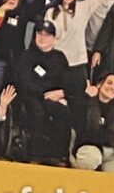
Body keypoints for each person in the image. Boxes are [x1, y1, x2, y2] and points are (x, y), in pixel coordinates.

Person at [18, 22, 75, 165]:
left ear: (54, 38)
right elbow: (25, 83)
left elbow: (68, 82)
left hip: (54, 98)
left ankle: (59, 156)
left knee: (63, 111)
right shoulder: (26, 56)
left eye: (47, 35)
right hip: (32, 96)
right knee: (38, 113)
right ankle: (35, 156)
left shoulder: (60, 57)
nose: (42, 38)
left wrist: (61, 93)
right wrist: (47, 93)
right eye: (39, 34)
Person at [73, 70, 114, 171]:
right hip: (91, 149)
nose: (112, 87)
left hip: (112, 154)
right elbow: (78, 125)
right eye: (109, 83)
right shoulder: (86, 101)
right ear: (99, 84)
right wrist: (87, 98)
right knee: (90, 160)